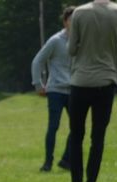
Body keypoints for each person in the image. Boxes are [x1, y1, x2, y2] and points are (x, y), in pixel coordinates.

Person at [64, 0, 117, 182]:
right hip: (106, 80)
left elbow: (71, 50)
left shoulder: (79, 13)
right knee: (98, 137)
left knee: (76, 136)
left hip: (80, 81)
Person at [32, 7, 77, 173]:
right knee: (53, 126)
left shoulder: (81, 40)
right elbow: (37, 61)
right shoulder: (55, 40)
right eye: (72, 19)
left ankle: (66, 160)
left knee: (78, 127)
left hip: (74, 89)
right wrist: (38, 84)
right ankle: (47, 162)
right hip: (56, 90)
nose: (76, 23)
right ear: (65, 21)